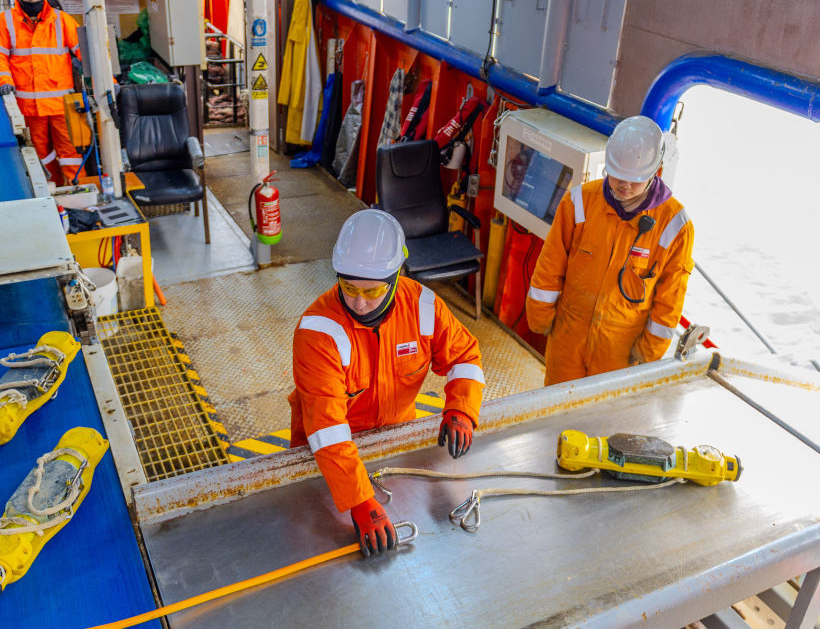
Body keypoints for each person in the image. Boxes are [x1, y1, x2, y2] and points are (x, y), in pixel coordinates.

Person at [289, 209, 485, 556]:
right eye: (349, 288)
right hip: (325, 460)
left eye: (373, 291)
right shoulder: (318, 332)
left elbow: (464, 357)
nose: (359, 302)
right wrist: (358, 501)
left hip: (395, 444)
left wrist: (462, 409)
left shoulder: (423, 308)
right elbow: (327, 427)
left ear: (396, 277)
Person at [525, 115, 695, 386]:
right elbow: (550, 264)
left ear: (655, 172)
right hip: (568, 337)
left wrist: (647, 353)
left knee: (605, 412)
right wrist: (540, 317)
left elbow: (670, 299)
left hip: (621, 352)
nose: (624, 185)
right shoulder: (578, 202)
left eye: (635, 180)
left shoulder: (675, 226)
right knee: (556, 404)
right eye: (618, 175)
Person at [0, 0, 83, 186]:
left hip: (62, 105)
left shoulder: (62, 20)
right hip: (28, 106)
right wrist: (3, 81)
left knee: (71, 153)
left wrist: (109, 83)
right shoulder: (5, 21)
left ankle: (79, 193)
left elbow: (87, 54)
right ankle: (51, 192)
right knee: (40, 155)